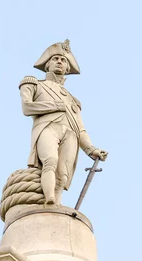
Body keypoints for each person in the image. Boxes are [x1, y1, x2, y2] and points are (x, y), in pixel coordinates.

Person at [19, 40, 108, 205]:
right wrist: (55, 105)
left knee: (63, 174)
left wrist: (91, 149)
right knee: (50, 161)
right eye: (55, 59)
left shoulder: (73, 100)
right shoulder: (35, 84)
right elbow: (27, 107)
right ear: (47, 65)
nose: (59, 62)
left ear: (67, 68)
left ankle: (57, 203)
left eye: (63, 60)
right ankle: (49, 199)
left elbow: (80, 129)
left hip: (70, 134)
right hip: (47, 127)